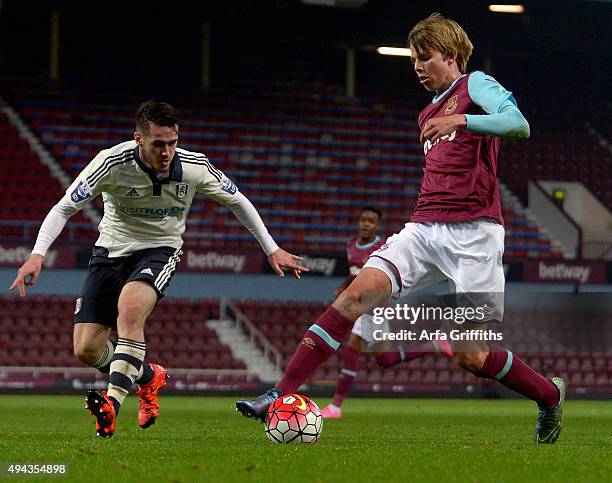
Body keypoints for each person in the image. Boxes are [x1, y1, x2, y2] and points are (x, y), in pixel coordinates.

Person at [237, 13, 567, 444]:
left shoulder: (475, 85)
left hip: (475, 235)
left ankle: (547, 396)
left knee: (471, 356)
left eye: (424, 57)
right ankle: (277, 394)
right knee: (353, 296)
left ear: (449, 56)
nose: (416, 66)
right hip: (423, 229)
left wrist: (462, 120)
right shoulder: (426, 112)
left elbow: (519, 125)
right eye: (413, 59)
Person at [10, 101, 307, 438]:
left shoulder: (194, 167)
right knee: (86, 350)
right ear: (139, 138)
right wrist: (37, 255)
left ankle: (112, 405)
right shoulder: (110, 163)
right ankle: (149, 377)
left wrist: (271, 248)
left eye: (173, 142)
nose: (167, 152)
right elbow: (63, 208)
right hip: (109, 253)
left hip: (159, 251)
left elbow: (238, 200)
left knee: (130, 309)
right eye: (158, 144)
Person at [320, 207, 451, 419]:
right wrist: (344, 287)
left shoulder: (382, 247)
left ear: (378, 225)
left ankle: (335, 406)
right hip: (362, 307)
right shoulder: (351, 245)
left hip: (374, 309)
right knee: (385, 359)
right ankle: (434, 345)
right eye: (363, 219)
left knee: (352, 346)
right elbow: (356, 274)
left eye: (371, 221)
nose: (365, 224)